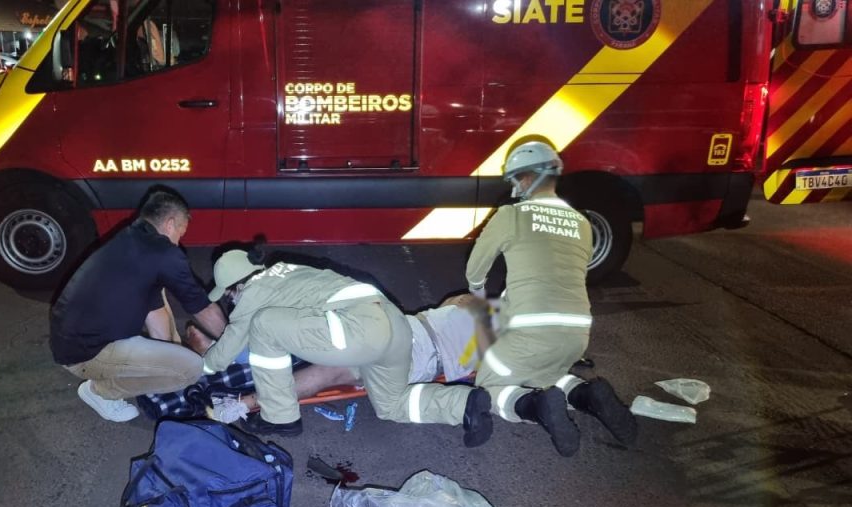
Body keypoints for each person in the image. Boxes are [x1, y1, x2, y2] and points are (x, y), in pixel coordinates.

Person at [201, 249, 494, 447]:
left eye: (228, 295)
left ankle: (279, 417)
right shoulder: (283, 271)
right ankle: (464, 405)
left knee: (264, 325)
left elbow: (223, 353)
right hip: (394, 324)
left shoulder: (253, 292)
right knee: (391, 405)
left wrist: (196, 368)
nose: (231, 301)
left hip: (384, 330)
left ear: (233, 287)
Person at [466, 140, 637, 456]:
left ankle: (537, 408)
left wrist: (480, 301)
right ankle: (589, 396)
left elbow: (475, 270)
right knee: (546, 373)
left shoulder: (510, 215)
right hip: (576, 335)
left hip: (530, 332)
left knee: (488, 388)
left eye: (517, 178)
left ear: (529, 178)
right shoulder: (582, 223)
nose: (516, 185)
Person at [140, 294, 493, 421]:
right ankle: (219, 354)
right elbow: (451, 305)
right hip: (399, 326)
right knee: (310, 337)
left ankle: (243, 399)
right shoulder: (480, 310)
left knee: (334, 367)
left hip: (413, 352)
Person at [50, 185, 227, 422]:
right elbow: (202, 309)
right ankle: (101, 392)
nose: (178, 242)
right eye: (180, 234)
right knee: (191, 369)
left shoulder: (131, 239)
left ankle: (119, 373)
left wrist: (169, 357)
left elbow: (156, 312)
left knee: (175, 353)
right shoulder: (165, 253)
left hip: (69, 338)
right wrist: (234, 346)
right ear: (170, 223)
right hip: (86, 353)